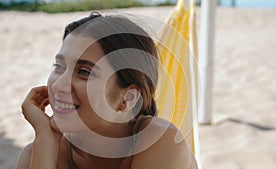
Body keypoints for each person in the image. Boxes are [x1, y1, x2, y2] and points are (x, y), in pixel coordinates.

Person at [16, 12, 198, 169]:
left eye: (84, 72)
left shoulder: (161, 142)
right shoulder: (38, 152)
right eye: (59, 66)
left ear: (127, 98)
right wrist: (46, 139)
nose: (58, 85)